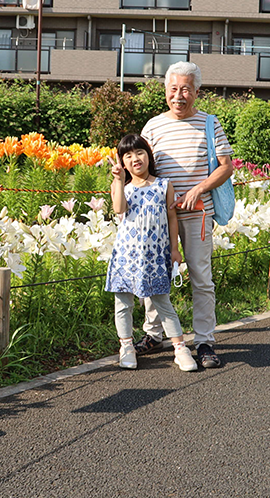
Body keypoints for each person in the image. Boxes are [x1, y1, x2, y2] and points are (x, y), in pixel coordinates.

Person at [136, 61, 233, 369]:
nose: (179, 96)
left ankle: (204, 340)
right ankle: (153, 334)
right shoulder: (152, 126)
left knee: (201, 278)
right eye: (173, 89)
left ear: (196, 92)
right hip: (160, 217)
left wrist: (197, 189)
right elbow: (140, 167)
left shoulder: (210, 123)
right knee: (154, 275)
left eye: (185, 90)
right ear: (166, 90)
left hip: (198, 213)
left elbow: (226, 165)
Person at [105, 134, 198, 372]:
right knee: (123, 303)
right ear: (123, 163)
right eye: (128, 155)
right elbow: (118, 209)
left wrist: (175, 250)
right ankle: (126, 347)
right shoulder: (123, 187)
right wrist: (117, 180)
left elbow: (171, 218)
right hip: (126, 256)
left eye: (140, 153)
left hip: (155, 256)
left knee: (162, 303)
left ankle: (180, 348)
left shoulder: (164, 185)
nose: (135, 159)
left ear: (149, 156)